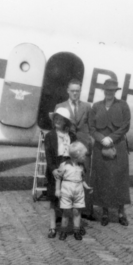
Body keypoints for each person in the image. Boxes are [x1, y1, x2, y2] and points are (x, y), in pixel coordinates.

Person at [89, 79, 131, 226]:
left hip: (118, 147)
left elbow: (125, 126)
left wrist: (111, 138)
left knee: (119, 179)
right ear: (103, 91)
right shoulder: (96, 107)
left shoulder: (123, 106)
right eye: (107, 90)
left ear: (115, 91)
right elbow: (92, 128)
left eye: (112, 90)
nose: (109, 93)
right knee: (103, 179)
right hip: (100, 148)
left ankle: (121, 212)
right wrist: (102, 139)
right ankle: (105, 212)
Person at [55, 78, 95, 221]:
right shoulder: (60, 106)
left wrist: (89, 142)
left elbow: (91, 127)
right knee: (65, 176)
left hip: (83, 146)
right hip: (67, 145)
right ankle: (61, 212)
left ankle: (85, 211)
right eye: (72, 91)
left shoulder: (87, 106)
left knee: (84, 176)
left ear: (80, 91)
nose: (75, 94)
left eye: (77, 91)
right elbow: (57, 127)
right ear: (67, 91)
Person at [44, 107, 76, 238]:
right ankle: (52, 227)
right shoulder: (50, 136)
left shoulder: (72, 136)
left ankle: (63, 227)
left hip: (68, 169)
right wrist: (53, 170)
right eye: (55, 118)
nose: (57, 121)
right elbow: (49, 155)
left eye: (60, 119)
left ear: (66, 122)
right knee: (53, 199)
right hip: (55, 168)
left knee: (66, 200)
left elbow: (75, 154)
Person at [55, 141, 93, 241]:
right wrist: (58, 190)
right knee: (66, 212)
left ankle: (76, 231)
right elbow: (59, 178)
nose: (85, 157)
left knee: (77, 211)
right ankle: (63, 231)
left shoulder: (81, 167)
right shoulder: (64, 165)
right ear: (77, 155)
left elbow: (82, 179)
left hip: (78, 190)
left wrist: (86, 187)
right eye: (83, 156)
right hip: (67, 190)